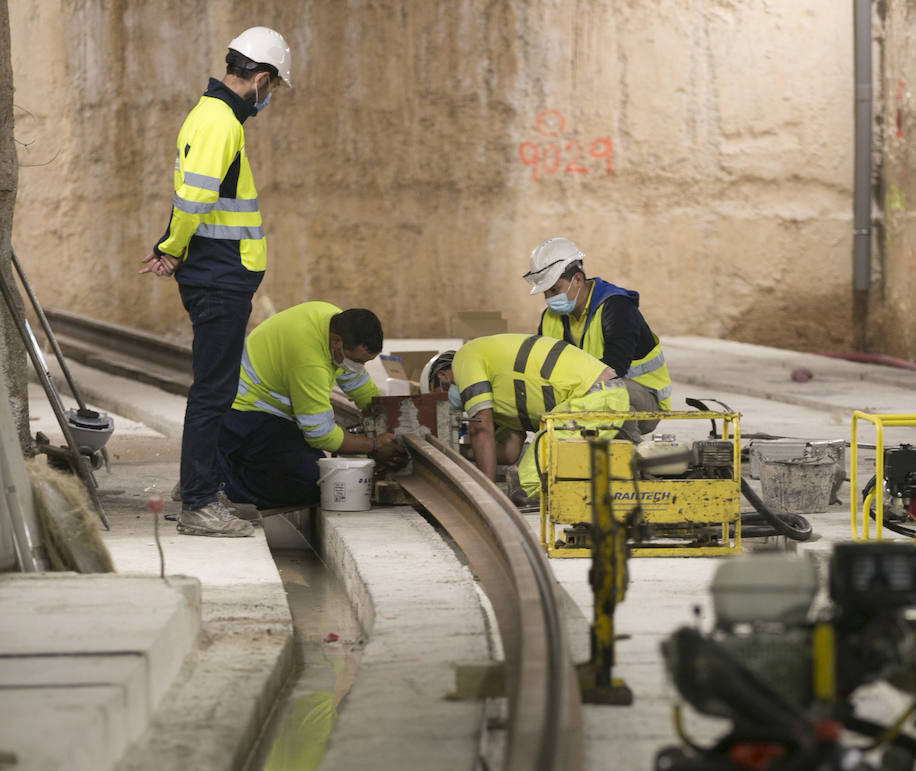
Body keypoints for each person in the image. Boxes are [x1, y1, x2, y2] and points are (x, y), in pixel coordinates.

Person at [140, 27, 292, 537]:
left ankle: (198, 487)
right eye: (272, 88)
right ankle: (200, 503)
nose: (269, 98)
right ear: (261, 78)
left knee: (215, 389)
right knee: (213, 393)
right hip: (219, 276)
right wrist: (171, 247)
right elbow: (196, 199)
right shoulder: (222, 121)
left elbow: (191, 197)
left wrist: (171, 245)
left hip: (217, 271)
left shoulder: (210, 116)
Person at [214, 302, 403, 509]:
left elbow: (356, 380)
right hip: (246, 410)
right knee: (309, 480)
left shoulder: (333, 321)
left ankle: (214, 470)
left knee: (308, 463)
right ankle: (218, 486)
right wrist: (374, 446)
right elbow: (320, 434)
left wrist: (388, 414)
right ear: (336, 342)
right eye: (357, 360)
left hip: (266, 406)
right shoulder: (310, 362)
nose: (359, 367)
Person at [437, 333, 630, 500]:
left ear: (442, 376)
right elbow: (510, 450)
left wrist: (486, 494)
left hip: (594, 396)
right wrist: (460, 452)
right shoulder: (502, 396)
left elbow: (480, 428)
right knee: (544, 472)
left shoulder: (464, 357)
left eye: (443, 392)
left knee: (530, 480)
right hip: (600, 397)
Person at [523, 237, 673, 442]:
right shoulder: (550, 318)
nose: (549, 298)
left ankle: (632, 460)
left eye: (555, 289)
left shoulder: (617, 307)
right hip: (584, 395)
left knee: (607, 394)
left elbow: (614, 369)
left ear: (577, 279)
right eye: (546, 293)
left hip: (641, 399)